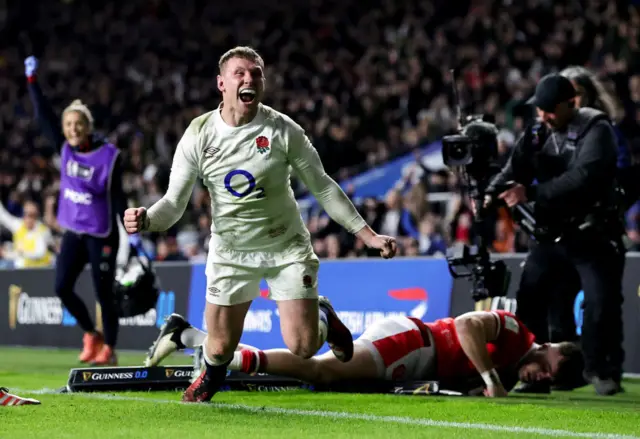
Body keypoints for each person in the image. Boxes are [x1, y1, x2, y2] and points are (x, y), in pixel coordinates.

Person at [123, 46, 397, 403]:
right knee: (219, 348)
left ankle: (324, 318)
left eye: (256, 73)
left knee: (302, 345)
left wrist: (369, 236)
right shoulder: (199, 134)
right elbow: (173, 206)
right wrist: (147, 220)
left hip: (285, 246)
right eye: (240, 73)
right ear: (221, 83)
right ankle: (213, 372)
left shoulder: (283, 130)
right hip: (230, 251)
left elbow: (323, 187)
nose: (249, 79)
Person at [488, 73, 626, 395]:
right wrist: (490, 192)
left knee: (599, 302)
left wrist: (531, 194)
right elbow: (514, 169)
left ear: (571, 104)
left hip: (592, 234)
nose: (543, 116)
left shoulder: (597, 129)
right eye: (540, 110)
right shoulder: (537, 131)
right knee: (530, 297)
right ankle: (533, 370)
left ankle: (601, 370)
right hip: (552, 235)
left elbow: (584, 177)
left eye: (550, 110)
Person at [144, 311, 584, 398]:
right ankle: (219, 355)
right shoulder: (517, 333)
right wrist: (489, 380)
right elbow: (468, 324)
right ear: (550, 348)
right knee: (322, 371)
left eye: (554, 381)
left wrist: (482, 386)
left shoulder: (512, 372)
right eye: (555, 368)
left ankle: (190, 338)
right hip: (413, 343)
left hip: (416, 363)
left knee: (325, 379)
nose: (546, 377)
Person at [25, 56, 128, 366]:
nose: (72, 129)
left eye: (77, 124)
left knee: (103, 293)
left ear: (88, 127)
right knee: (61, 287)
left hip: (102, 233)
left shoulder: (109, 156)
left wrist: (132, 232)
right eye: (68, 125)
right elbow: (43, 116)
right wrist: (32, 82)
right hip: (74, 232)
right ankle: (90, 333)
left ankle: (109, 348)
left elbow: (119, 196)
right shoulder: (65, 149)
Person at [0, 198, 54, 268]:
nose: (28, 217)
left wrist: (19, 253)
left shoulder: (43, 231)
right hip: (21, 269)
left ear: (37, 215)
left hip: (41, 270)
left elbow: (40, 253)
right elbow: (3, 216)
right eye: (25, 213)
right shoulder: (18, 225)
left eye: (32, 215)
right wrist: (6, 254)